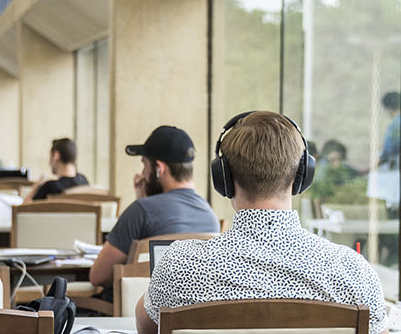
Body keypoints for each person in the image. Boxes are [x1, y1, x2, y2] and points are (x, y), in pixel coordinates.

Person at [135, 111, 387, 334]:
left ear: (223, 179)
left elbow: (147, 327)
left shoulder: (179, 266)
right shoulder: (353, 272)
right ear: (302, 176)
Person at [89, 126, 219, 294]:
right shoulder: (211, 217)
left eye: (144, 165)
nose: (142, 173)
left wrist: (141, 203)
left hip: (133, 315)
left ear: (160, 169)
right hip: (187, 316)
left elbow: (98, 276)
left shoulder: (141, 211)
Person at [24, 138, 88, 202]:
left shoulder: (50, 187)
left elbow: (23, 209)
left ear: (56, 155)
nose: (49, 163)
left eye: (50, 156)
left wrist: (36, 188)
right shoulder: (84, 182)